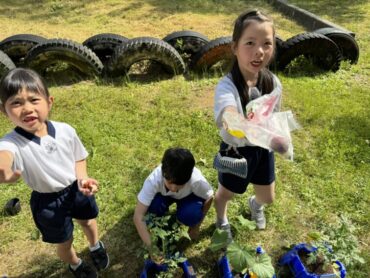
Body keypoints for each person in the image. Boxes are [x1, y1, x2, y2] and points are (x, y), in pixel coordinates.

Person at [0, 68, 109, 278]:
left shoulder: (65, 130)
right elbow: (4, 156)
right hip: (47, 203)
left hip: (76, 190)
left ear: (49, 101)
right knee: (64, 241)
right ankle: (76, 264)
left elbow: (79, 156)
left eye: (33, 99)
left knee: (88, 221)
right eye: (16, 102)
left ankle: (95, 245)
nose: (27, 109)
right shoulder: (11, 142)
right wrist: (3, 170)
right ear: (4, 111)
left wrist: (82, 178)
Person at [213, 10, 283, 237]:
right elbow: (228, 112)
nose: (259, 51)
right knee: (227, 193)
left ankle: (256, 205)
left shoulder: (272, 82)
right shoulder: (227, 86)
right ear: (235, 47)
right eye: (250, 43)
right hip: (236, 151)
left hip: (263, 148)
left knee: (267, 197)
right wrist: (238, 122)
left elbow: (275, 115)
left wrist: (279, 136)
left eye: (267, 44)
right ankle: (221, 219)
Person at [133, 147, 213, 260]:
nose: (174, 188)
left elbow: (209, 197)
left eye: (180, 184)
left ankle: (182, 216)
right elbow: (138, 216)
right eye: (170, 183)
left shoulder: (196, 181)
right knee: (152, 209)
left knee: (191, 215)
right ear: (164, 172)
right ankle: (159, 221)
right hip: (163, 196)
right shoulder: (154, 180)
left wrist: (197, 226)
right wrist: (152, 248)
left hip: (188, 197)